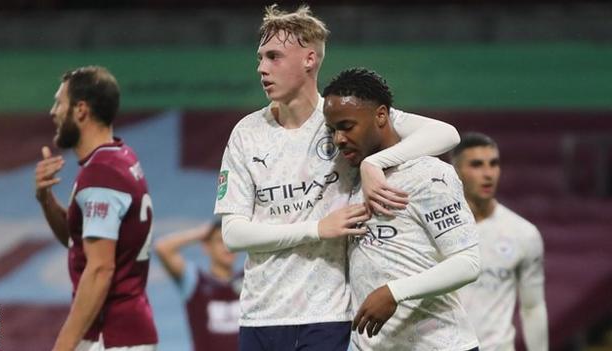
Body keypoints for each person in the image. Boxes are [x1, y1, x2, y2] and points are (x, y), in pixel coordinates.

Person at [215, 5, 461, 350]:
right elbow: (234, 233)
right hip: (258, 314)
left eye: (274, 57)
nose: (261, 68)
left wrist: (373, 165)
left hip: (327, 313)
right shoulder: (247, 132)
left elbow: (446, 134)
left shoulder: (342, 116)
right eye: (260, 58)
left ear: (309, 59)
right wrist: (316, 229)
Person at [322, 67, 481, 351]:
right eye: (333, 131)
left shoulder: (430, 174)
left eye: (347, 127)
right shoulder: (353, 179)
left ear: (381, 116)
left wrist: (395, 292)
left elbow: (467, 262)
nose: (338, 139)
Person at [34, 66, 157, 351]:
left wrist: (63, 345)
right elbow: (75, 240)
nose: (53, 112)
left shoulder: (101, 175)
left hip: (111, 335)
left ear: (80, 110)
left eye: (59, 103)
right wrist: (45, 198)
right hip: (124, 331)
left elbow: (100, 268)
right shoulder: (120, 157)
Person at [451, 132, 548, 351]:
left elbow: (532, 307)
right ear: (456, 171)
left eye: (493, 164)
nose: (488, 174)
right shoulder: (436, 230)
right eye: (476, 165)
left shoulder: (524, 233)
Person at [155, 220, 242, 351]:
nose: (227, 247)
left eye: (230, 241)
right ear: (206, 247)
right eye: (220, 241)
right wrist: (201, 233)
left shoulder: (249, 279)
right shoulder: (195, 281)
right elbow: (162, 248)